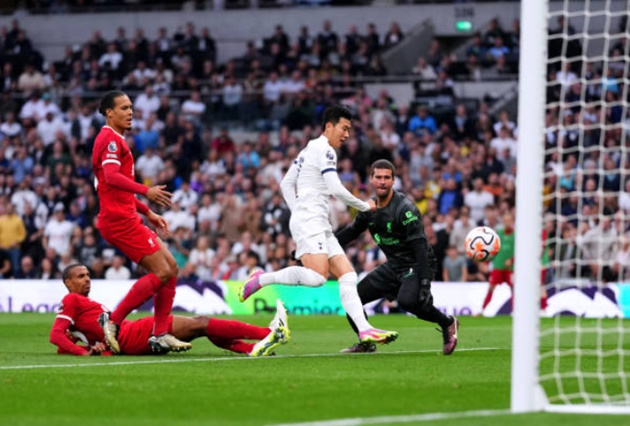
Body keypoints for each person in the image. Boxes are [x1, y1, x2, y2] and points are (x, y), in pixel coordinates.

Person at [239, 105, 398, 345]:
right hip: (310, 220)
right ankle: (262, 279)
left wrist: (298, 211)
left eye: (349, 130)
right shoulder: (325, 150)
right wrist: (364, 206)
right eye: (344, 128)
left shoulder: (308, 149)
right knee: (318, 277)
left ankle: (365, 329)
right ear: (329, 126)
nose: (347, 134)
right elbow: (335, 188)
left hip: (316, 221)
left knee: (347, 275)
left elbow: (285, 184)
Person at [92, 90, 188, 354]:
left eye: (131, 107)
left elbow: (115, 189)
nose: (130, 112)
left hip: (126, 216)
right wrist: (147, 191)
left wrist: (148, 212)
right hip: (119, 220)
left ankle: (160, 334)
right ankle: (113, 320)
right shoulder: (110, 140)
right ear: (109, 113)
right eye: (124, 108)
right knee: (162, 271)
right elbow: (111, 177)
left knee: (171, 268)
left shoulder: (115, 139)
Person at [335, 160, 459, 355]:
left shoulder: (405, 208)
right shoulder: (368, 208)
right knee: (353, 299)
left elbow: (420, 247)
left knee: (408, 302)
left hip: (417, 263)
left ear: (393, 181)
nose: (382, 181)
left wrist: (425, 283)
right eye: (378, 177)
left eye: (387, 177)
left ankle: (447, 322)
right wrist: (319, 247)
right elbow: (351, 232)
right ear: (371, 179)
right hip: (394, 265)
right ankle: (366, 342)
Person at [50, 264, 290, 357]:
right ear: (68, 282)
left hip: (134, 333)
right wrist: (83, 352)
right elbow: (56, 336)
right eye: (80, 276)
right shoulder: (71, 300)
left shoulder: (82, 306)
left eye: (88, 275)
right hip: (134, 335)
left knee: (200, 328)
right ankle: (268, 333)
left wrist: (91, 347)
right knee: (201, 323)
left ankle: (252, 348)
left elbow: (65, 344)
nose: (87, 279)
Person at [481, 212, 515, 314]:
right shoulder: (498, 233)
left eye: (509, 220)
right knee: (491, 288)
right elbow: (492, 249)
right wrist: (486, 263)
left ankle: (515, 311)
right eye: (505, 220)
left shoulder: (516, 235)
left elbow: (520, 251)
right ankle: (482, 310)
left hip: (511, 268)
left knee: (514, 289)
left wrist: (512, 260)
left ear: (512, 221)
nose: (507, 223)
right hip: (498, 266)